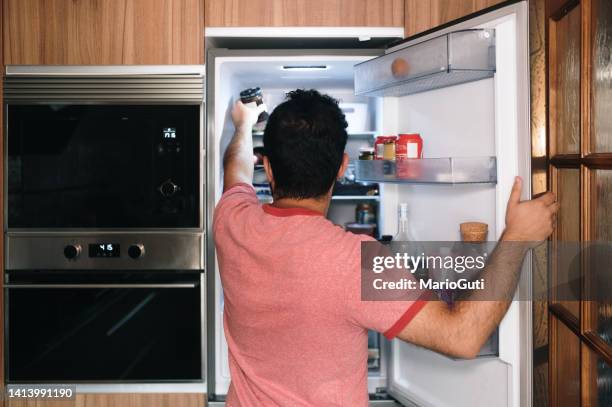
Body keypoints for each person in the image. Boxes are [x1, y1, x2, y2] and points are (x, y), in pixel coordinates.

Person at [213, 89, 559, 406]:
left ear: (268, 168)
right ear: (342, 168)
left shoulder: (231, 220)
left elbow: (236, 170)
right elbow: (462, 337)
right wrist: (516, 239)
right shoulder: (355, 261)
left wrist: (242, 126)